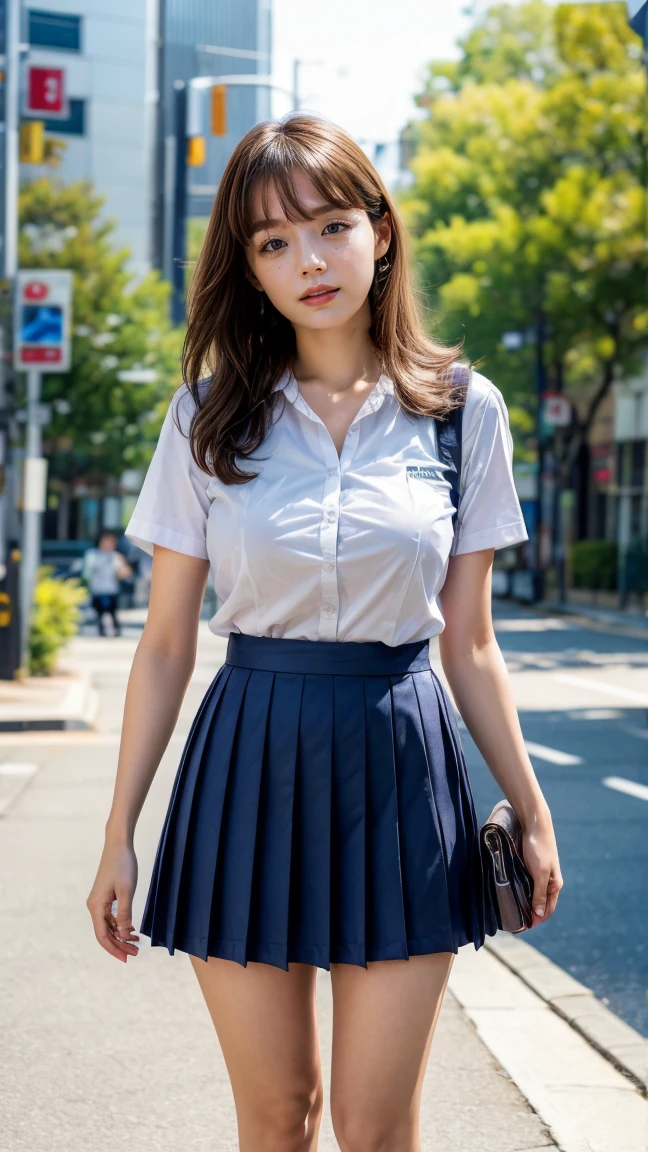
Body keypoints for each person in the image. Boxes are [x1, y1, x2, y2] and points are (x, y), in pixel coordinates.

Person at [86, 113, 563, 1152]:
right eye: (272, 242)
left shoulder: (462, 412)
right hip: (248, 756)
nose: (309, 260)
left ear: (380, 232)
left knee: (376, 1124)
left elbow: (470, 639)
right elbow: (165, 640)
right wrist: (120, 831)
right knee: (275, 1116)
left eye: (332, 226)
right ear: (247, 270)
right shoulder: (208, 418)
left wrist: (527, 804)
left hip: (402, 764)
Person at [81, 530, 132, 637]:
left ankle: (115, 631)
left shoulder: (116, 556)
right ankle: (102, 631)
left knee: (112, 612)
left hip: (112, 589)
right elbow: (87, 573)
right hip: (97, 589)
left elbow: (124, 572)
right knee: (100, 612)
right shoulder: (92, 555)